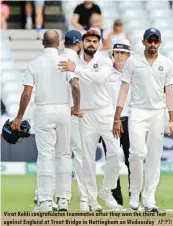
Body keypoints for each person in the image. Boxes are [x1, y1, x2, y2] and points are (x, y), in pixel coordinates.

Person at [11, 30, 82, 212]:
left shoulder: (34, 63)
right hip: (64, 109)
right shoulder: (65, 62)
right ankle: (63, 200)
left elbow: (27, 93)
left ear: (43, 43)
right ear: (58, 44)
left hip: (44, 110)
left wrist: (19, 117)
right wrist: (76, 107)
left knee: (45, 156)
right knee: (64, 155)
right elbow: (75, 84)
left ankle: (45, 202)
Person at [112, 28, 173, 212]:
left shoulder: (167, 63)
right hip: (137, 112)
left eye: (156, 41)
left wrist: (172, 119)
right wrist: (117, 117)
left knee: (154, 158)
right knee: (136, 153)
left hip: (158, 113)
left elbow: (170, 93)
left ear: (160, 43)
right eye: (150, 41)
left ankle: (149, 198)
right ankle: (134, 193)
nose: (153, 44)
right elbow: (124, 90)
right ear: (143, 42)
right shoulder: (132, 62)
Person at [58, 29, 122, 211]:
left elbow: (99, 79)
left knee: (116, 154)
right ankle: (92, 201)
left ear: (99, 44)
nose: (92, 44)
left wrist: (76, 69)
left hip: (105, 112)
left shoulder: (104, 61)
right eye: (88, 41)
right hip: (85, 114)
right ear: (82, 43)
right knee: (87, 159)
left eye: (95, 41)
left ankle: (106, 190)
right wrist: (75, 68)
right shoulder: (74, 62)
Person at [60, 29, 90, 212]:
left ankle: (49, 198)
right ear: (79, 44)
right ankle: (84, 201)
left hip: (56, 112)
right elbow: (76, 84)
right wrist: (77, 107)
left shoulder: (55, 58)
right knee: (79, 156)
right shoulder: (75, 62)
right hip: (72, 114)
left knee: (58, 156)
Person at [100, 39, 132, 206]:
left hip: (130, 121)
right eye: (117, 52)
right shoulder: (106, 74)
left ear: (128, 55)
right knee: (112, 161)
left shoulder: (134, 74)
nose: (120, 55)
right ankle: (116, 201)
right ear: (113, 53)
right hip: (109, 122)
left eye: (123, 52)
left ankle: (135, 199)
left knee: (132, 161)